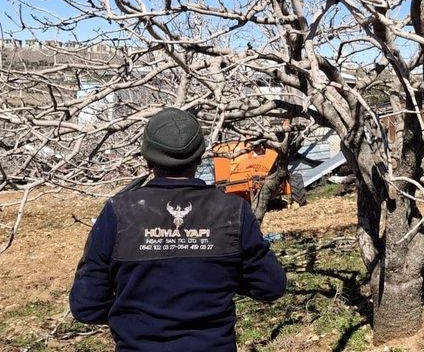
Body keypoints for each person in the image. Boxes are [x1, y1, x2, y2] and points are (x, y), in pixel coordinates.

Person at [69, 107, 286, 351]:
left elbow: (87, 306)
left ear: (147, 158)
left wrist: (132, 313)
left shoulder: (118, 211)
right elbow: (271, 286)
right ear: (199, 156)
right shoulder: (233, 211)